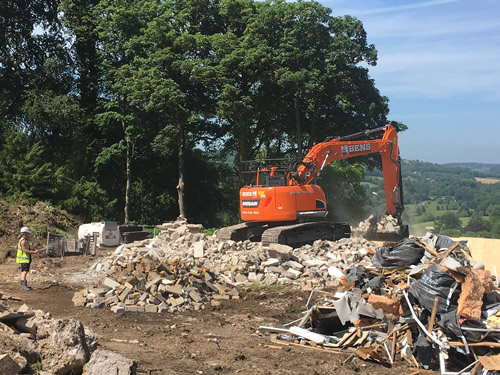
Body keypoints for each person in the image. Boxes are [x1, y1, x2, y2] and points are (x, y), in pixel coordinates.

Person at [16, 227, 39, 291]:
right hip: (24, 259)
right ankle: (23, 286)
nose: (29, 234)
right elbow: (25, 251)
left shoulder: (24, 240)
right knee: (24, 271)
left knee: (23, 271)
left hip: (25, 259)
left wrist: (32, 251)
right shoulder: (23, 241)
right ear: (25, 233)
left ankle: (24, 285)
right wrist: (34, 252)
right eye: (28, 233)